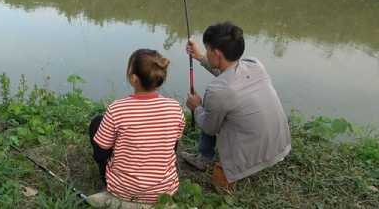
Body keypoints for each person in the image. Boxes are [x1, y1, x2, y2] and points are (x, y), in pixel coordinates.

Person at [182, 21, 291, 188]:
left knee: (208, 110)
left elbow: (209, 128)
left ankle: (204, 158)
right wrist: (200, 57)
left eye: (208, 49)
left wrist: (196, 107)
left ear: (217, 53)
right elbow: (229, 73)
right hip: (279, 147)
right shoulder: (254, 64)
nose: (207, 52)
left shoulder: (217, 89)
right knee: (219, 107)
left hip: (249, 160)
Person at [89, 49, 186, 204]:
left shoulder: (117, 109)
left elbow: (100, 155)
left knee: (97, 123)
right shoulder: (175, 108)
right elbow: (173, 146)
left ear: (134, 78)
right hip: (164, 193)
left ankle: (113, 187)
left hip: (122, 190)